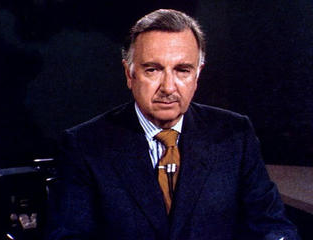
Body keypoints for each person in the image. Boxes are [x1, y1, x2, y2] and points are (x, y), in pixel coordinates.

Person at [46, 9, 300, 240]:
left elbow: (273, 225)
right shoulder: (84, 145)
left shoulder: (235, 134)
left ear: (197, 74)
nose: (168, 88)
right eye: (153, 70)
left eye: (182, 70)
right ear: (129, 74)